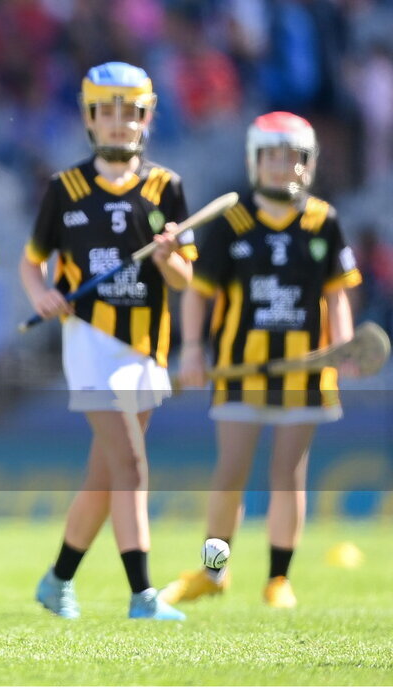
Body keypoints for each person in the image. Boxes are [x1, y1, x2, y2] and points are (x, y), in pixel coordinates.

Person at [161, 112, 361, 609]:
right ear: (255, 161)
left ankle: (278, 579)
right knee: (229, 473)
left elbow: (337, 295)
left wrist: (346, 344)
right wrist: (191, 350)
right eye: (272, 156)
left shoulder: (323, 221)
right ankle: (214, 572)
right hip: (238, 370)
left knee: (288, 475)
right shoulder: (232, 222)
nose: (282, 166)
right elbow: (198, 293)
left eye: (292, 157)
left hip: (305, 372)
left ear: (307, 163)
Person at [20, 62, 196, 621]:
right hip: (90, 340)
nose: (119, 122)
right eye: (107, 110)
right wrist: (43, 295)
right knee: (132, 468)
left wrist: (171, 258)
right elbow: (32, 264)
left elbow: (185, 279)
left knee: (106, 474)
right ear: (89, 116)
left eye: (131, 110)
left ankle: (57, 580)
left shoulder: (167, 187)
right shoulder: (65, 189)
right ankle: (143, 595)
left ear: (148, 116)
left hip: (147, 344)